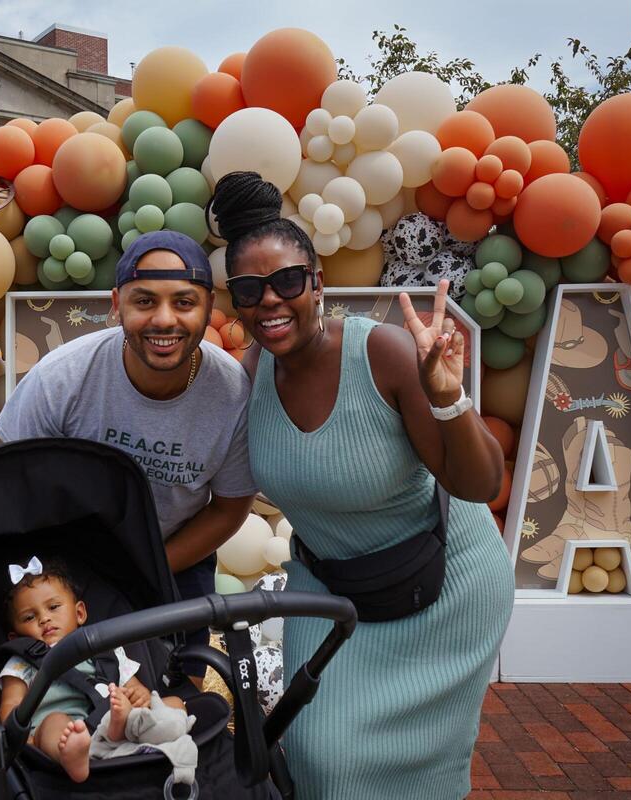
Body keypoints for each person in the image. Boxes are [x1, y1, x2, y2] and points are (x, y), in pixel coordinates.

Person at [209, 172, 514, 800]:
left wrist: (450, 399)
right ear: (235, 300)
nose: (271, 301)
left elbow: (479, 483)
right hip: (330, 591)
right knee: (321, 758)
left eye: (288, 281)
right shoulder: (249, 376)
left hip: (443, 588)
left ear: (317, 283)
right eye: (249, 289)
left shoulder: (385, 354)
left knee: (419, 776)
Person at [0, 230, 257, 681]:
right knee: (40, 691)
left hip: (175, 554)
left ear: (209, 305)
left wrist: (148, 567)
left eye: (184, 302)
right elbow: (6, 493)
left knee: (179, 691)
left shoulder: (232, 396)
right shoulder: (62, 380)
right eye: (144, 301)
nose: (164, 320)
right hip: (63, 561)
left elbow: (229, 508)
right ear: (117, 303)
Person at [0, 556, 193, 784]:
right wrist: (24, 739)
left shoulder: (105, 649)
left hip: (116, 720)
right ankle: (72, 756)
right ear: (15, 636)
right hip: (66, 729)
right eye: (30, 617)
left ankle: (152, 733)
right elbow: (10, 707)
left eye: (53, 607)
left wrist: (139, 697)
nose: (45, 618)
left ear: (79, 613)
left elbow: (136, 688)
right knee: (53, 723)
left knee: (175, 703)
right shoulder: (22, 661)